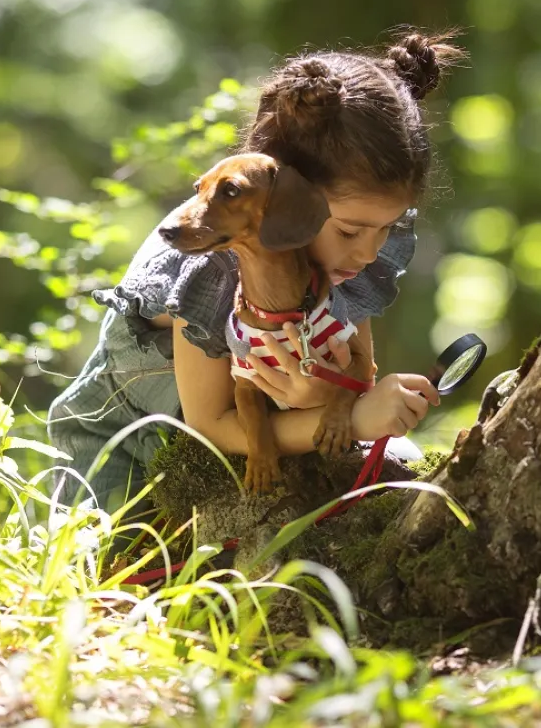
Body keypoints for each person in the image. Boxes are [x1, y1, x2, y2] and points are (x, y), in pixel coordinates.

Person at [46, 31, 463, 524]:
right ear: (289, 201)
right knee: (101, 573)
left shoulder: (342, 261)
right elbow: (210, 422)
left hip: (261, 444)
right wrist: (347, 419)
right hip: (128, 445)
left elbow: (357, 371)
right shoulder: (209, 266)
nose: (370, 252)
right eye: (351, 230)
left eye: (386, 229)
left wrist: (329, 401)